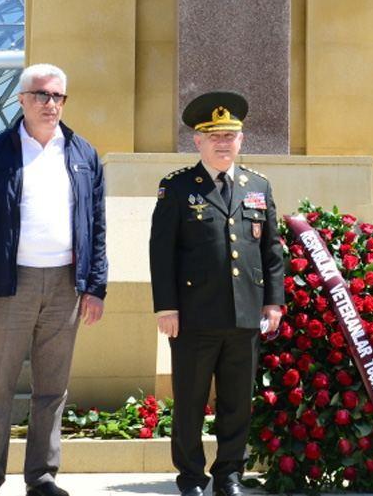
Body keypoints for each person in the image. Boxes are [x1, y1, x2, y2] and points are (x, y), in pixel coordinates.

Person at [0, 63, 107, 496]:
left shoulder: (83, 153)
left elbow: (96, 226)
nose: (50, 104)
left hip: (65, 285)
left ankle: (42, 477)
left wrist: (95, 286)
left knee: (52, 389)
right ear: (21, 99)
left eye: (58, 96)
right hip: (11, 284)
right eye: (41, 95)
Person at [149, 91, 284, 496]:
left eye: (230, 135)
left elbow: (271, 250)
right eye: (215, 136)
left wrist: (273, 302)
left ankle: (229, 476)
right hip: (193, 316)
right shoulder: (176, 187)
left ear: (241, 140)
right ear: (198, 142)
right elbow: (161, 251)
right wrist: (166, 307)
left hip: (245, 316)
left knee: (236, 404)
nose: (223, 143)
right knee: (189, 403)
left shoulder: (257, 186)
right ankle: (191, 477)